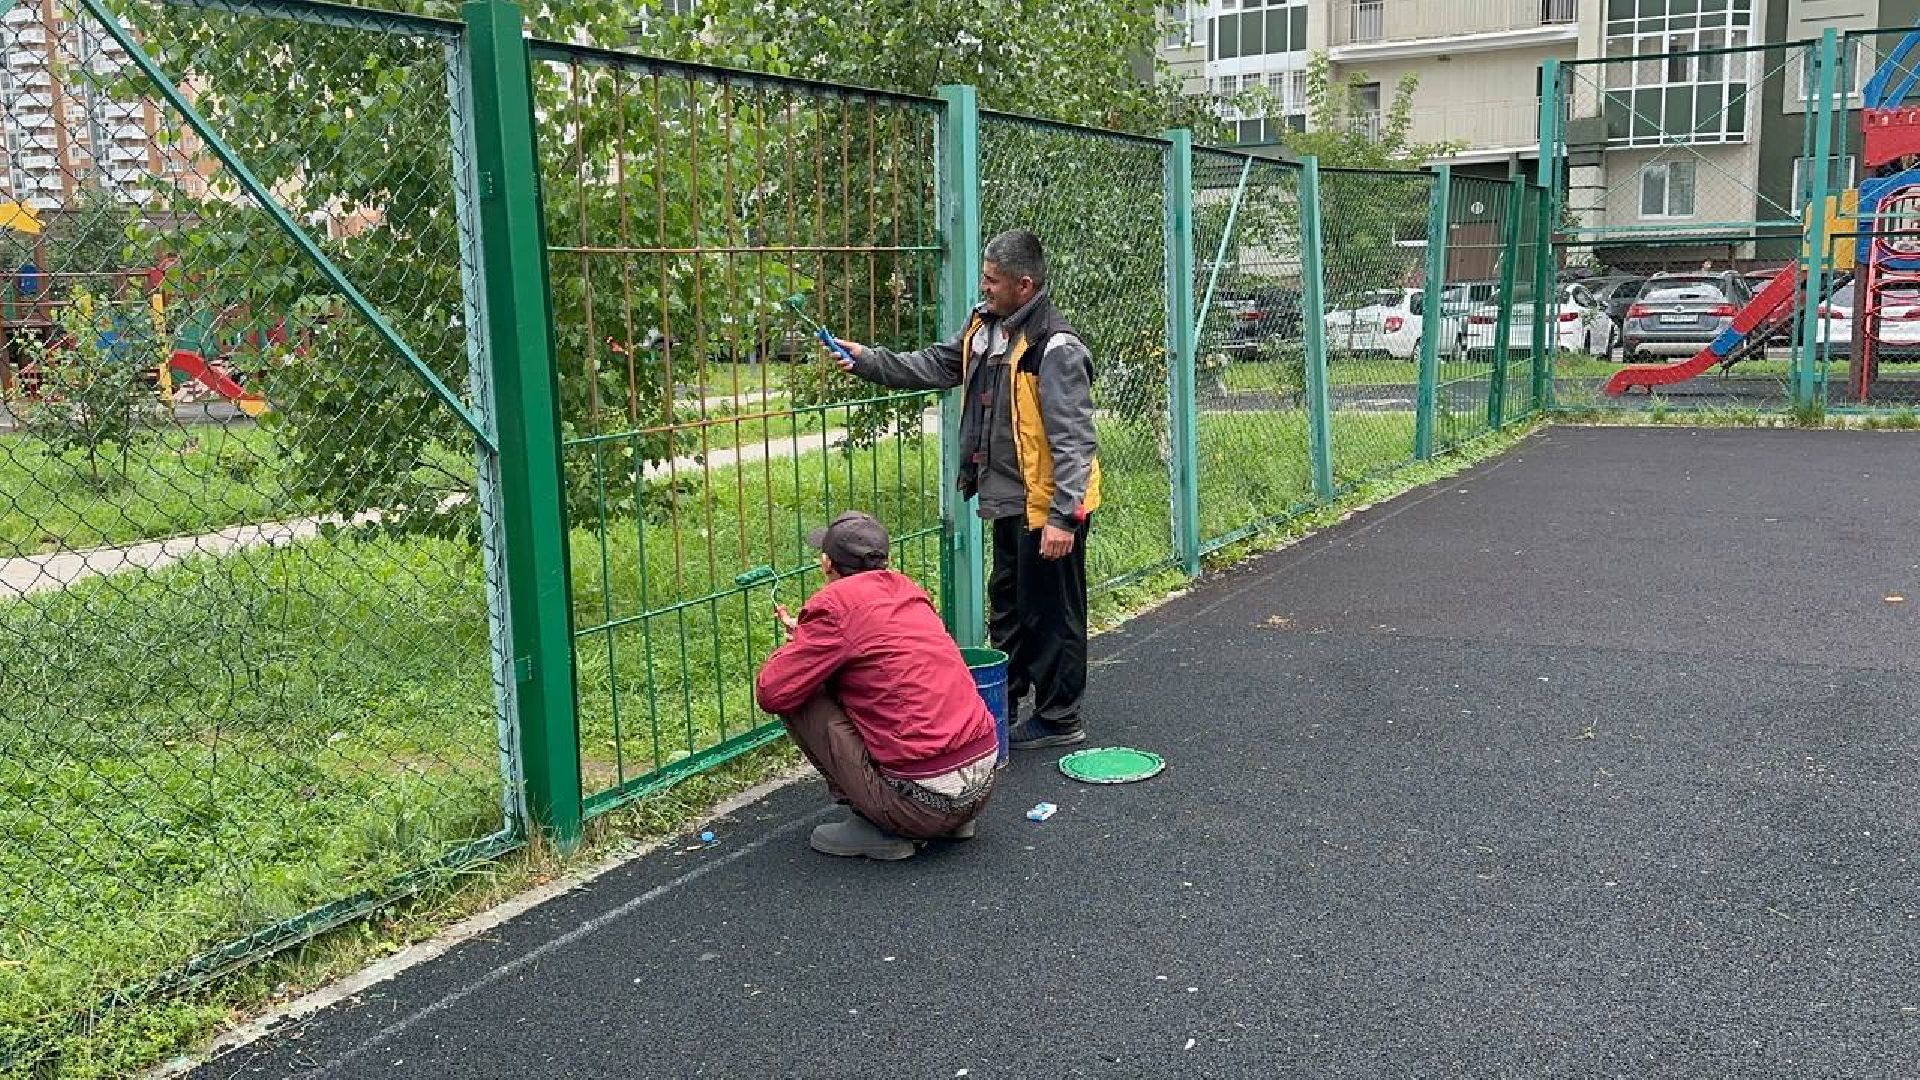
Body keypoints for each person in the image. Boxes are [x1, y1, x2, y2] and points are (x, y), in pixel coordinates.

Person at [828, 229, 1098, 750]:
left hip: (1049, 506)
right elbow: (935, 364)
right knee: (1010, 607)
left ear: (1025, 284)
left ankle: (1060, 717)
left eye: (993, 280)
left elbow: (1075, 442)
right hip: (1006, 499)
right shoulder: (985, 329)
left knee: (1053, 613)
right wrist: (867, 360)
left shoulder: (1055, 347)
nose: (984, 286)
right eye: (984, 276)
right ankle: (1007, 699)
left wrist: (1065, 517)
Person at [755, 510, 999, 861]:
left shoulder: (833, 607)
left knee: (797, 693)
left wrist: (799, 650)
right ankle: (951, 820)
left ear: (826, 563)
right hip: (982, 787)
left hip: (918, 807)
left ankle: (877, 825)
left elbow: (772, 691)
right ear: (885, 559)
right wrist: (813, 642)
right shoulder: (909, 591)